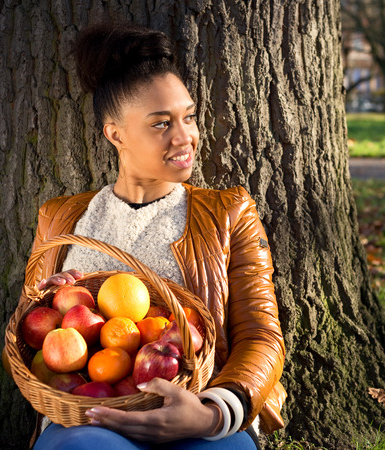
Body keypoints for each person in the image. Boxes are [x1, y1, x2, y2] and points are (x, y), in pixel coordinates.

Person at [23, 22, 286, 449]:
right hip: (91, 417)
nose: (186, 138)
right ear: (116, 134)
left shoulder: (228, 213)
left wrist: (214, 412)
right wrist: (43, 305)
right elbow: (17, 350)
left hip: (202, 411)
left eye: (189, 116)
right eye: (161, 124)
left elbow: (261, 335)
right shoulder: (61, 219)